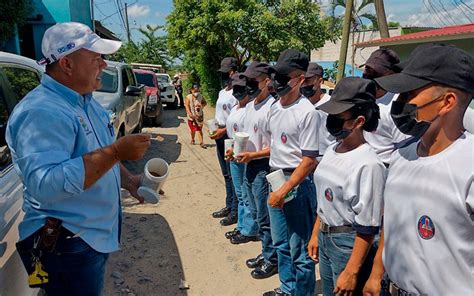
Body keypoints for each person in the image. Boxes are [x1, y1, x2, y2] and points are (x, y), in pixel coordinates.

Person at [7, 22, 151, 295]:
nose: (104, 65)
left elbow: (100, 151)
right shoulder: (41, 111)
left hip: (87, 238)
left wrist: (128, 180)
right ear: (67, 64)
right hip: (66, 244)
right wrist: (117, 151)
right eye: (96, 58)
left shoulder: (86, 102)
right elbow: (45, 185)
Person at [363, 43, 474, 295]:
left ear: (447, 102)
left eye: (408, 94)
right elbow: (390, 226)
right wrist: (376, 274)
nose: (399, 103)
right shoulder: (402, 156)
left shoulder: (469, 166)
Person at [307, 77, 386, 296]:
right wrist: (316, 233)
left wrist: (352, 271)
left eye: (338, 117)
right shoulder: (333, 149)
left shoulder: (369, 164)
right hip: (326, 237)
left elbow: (368, 226)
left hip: (347, 243)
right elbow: (325, 198)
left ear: (359, 121)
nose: (331, 121)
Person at [263, 49, 319, 296]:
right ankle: (287, 288)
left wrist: (285, 189)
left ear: (301, 79)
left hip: (296, 183)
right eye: (277, 76)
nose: (278, 82)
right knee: (281, 243)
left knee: (300, 248)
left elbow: (308, 160)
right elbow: (274, 145)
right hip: (275, 177)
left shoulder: (307, 112)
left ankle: (302, 292)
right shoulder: (275, 107)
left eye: (285, 78)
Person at [237, 62, 278, 279]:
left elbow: (275, 147)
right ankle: (266, 251)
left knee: (264, 217)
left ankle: (272, 259)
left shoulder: (273, 107)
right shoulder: (252, 105)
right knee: (255, 212)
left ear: (267, 81)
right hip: (248, 164)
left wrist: (253, 155)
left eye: (254, 81)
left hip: (263, 166)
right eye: (248, 81)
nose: (250, 85)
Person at [224, 73, 259, 244]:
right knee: (240, 193)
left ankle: (249, 229)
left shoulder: (250, 109)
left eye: (241, 88)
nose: (238, 92)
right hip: (233, 151)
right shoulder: (235, 107)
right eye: (235, 88)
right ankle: (241, 225)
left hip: (244, 154)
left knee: (246, 194)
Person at [361, 48, 410, 166]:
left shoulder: (399, 104)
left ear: (392, 74)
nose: (368, 74)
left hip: (384, 168)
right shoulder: (359, 97)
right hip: (357, 164)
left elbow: (404, 150)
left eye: (375, 72)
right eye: (367, 69)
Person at [211, 57, 239, 226]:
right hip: (220, 135)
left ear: (234, 71)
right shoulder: (223, 91)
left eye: (227, 72)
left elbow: (237, 119)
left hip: (230, 136)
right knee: (226, 174)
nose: (225, 75)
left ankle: (235, 210)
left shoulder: (238, 91)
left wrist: (224, 131)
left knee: (234, 175)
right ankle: (229, 205)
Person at [300, 62, 336, 162]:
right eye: (302, 80)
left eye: (308, 80)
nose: (304, 84)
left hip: (325, 159)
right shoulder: (300, 105)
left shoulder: (332, 105)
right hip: (303, 159)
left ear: (320, 81)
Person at [185, 83, 207, 148]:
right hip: (191, 117)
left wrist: (201, 106)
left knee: (199, 129)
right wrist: (190, 114)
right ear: (191, 90)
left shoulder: (200, 96)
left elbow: (205, 103)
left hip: (199, 116)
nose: (196, 92)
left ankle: (201, 142)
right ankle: (192, 139)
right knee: (193, 130)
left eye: (197, 91)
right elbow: (186, 105)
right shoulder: (188, 97)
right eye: (195, 91)